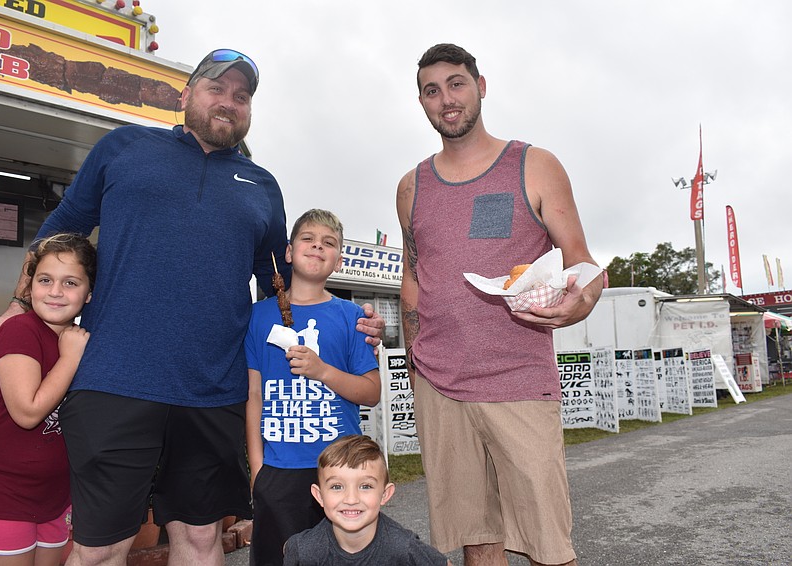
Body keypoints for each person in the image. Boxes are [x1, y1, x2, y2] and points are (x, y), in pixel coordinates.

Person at [0, 49, 384, 566]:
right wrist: (16, 305)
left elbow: (279, 286)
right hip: (113, 381)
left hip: (212, 392)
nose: (228, 102)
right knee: (100, 549)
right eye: (216, 89)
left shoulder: (262, 186)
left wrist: (351, 324)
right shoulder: (123, 147)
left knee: (201, 539)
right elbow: (64, 226)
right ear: (185, 95)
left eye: (242, 96)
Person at [395, 44, 603, 566]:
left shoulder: (533, 165)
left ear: (481, 86)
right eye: (431, 90)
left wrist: (577, 305)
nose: (446, 99)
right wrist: (414, 362)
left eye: (456, 83)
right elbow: (413, 280)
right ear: (421, 102)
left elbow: (581, 262)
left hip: (518, 379)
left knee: (547, 543)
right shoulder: (410, 187)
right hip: (441, 386)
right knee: (476, 538)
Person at [245, 209, 382, 566]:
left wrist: (322, 371)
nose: (317, 246)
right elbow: (254, 395)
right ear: (288, 252)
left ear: (337, 260)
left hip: (341, 468)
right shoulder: (258, 316)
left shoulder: (352, 317)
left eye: (329, 243)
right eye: (308, 239)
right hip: (278, 468)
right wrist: (258, 469)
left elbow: (371, 392)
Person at [0, 233, 95, 566]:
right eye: (45, 279)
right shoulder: (20, 330)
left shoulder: (77, 338)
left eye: (71, 282)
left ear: (90, 293)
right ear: (29, 284)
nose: (55, 291)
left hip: (54, 497)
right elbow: (28, 412)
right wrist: (70, 359)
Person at [282, 435, 450, 566]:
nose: (351, 499)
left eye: (365, 486)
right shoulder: (304, 550)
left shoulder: (403, 547)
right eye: (337, 487)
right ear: (319, 496)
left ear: (385, 494)